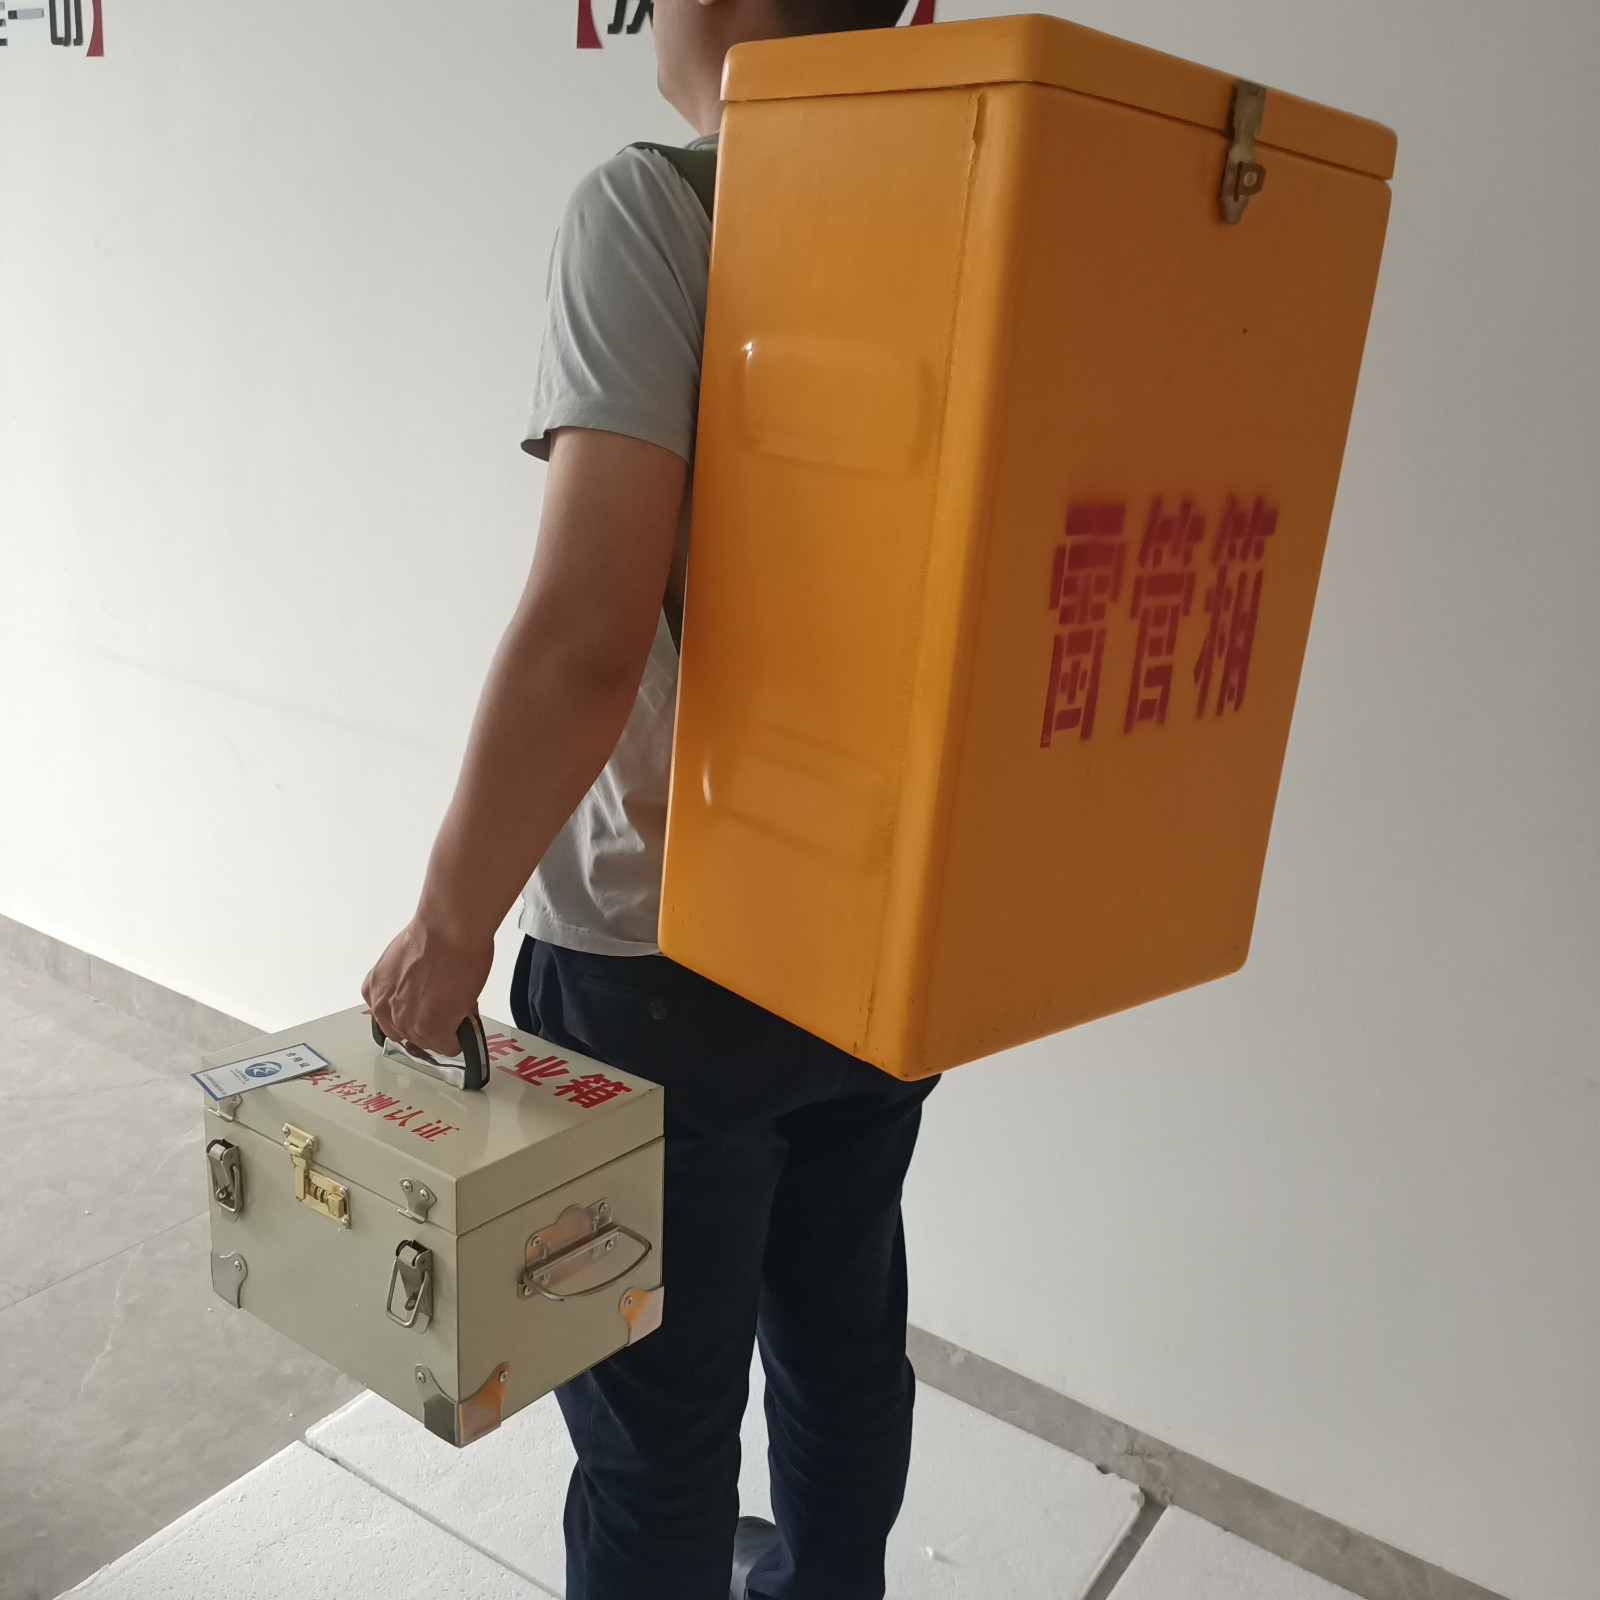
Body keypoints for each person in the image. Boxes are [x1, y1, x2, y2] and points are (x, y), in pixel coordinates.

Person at [362, 3, 929, 1596]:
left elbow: (586, 633)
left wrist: (449, 926)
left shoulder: (654, 207)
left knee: (655, 1424)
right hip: (889, 921)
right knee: (843, 1340)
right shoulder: (963, 201)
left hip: (664, 949)